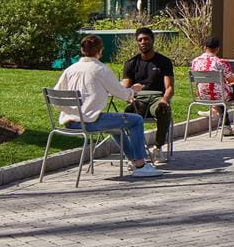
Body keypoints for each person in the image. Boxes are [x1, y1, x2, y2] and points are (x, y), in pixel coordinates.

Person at [54, 34, 163, 178]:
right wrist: (133, 91)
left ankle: (133, 160)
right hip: (89, 122)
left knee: (116, 128)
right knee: (136, 120)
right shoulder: (101, 69)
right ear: (100, 51)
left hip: (69, 121)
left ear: (82, 50)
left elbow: (56, 96)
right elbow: (123, 94)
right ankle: (141, 164)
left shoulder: (70, 70)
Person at [121, 26, 175, 160]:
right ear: (137, 42)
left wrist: (165, 100)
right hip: (139, 99)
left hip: (157, 97)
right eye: (140, 40)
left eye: (146, 39)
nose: (143, 42)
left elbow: (169, 87)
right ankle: (136, 152)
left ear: (152, 41)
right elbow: (125, 89)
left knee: (163, 110)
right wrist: (130, 99)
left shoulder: (164, 62)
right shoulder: (131, 63)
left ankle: (158, 147)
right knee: (128, 112)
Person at [190, 36, 234, 136]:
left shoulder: (195, 62)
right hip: (219, 95)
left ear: (204, 47)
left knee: (218, 92)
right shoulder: (220, 62)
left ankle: (225, 123)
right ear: (217, 48)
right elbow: (231, 79)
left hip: (202, 96)